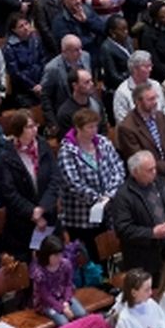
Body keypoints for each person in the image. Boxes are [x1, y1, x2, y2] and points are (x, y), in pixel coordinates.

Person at [109, 149, 165, 282]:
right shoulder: (123, 196)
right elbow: (123, 230)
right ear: (135, 172)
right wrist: (152, 233)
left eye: (155, 168)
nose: (154, 173)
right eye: (149, 170)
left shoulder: (161, 184)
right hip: (144, 255)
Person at [58, 107, 125, 261]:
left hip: (108, 210)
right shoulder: (68, 151)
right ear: (78, 128)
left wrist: (109, 195)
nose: (94, 130)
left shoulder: (103, 142)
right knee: (91, 257)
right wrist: (97, 199)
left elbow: (118, 168)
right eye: (90, 127)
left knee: (109, 252)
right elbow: (73, 183)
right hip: (82, 217)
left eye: (95, 126)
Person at [0, 109, 58, 259]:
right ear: (18, 130)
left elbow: (55, 179)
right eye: (29, 127)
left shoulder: (43, 147)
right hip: (22, 224)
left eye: (35, 125)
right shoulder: (6, 157)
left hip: (48, 214)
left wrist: (42, 207)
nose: (35, 129)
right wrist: (33, 213)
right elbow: (8, 192)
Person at [30, 235, 87, 326]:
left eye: (60, 254)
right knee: (64, 323)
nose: (59, 258)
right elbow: (46, 296)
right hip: (46, 304)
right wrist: (62, 308)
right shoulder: (39, 272)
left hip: (63, 297)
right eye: (55, 256)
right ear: (47, 255)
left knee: (82, 314)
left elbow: (68, 284)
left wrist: (66, 302)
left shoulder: (66, 265)